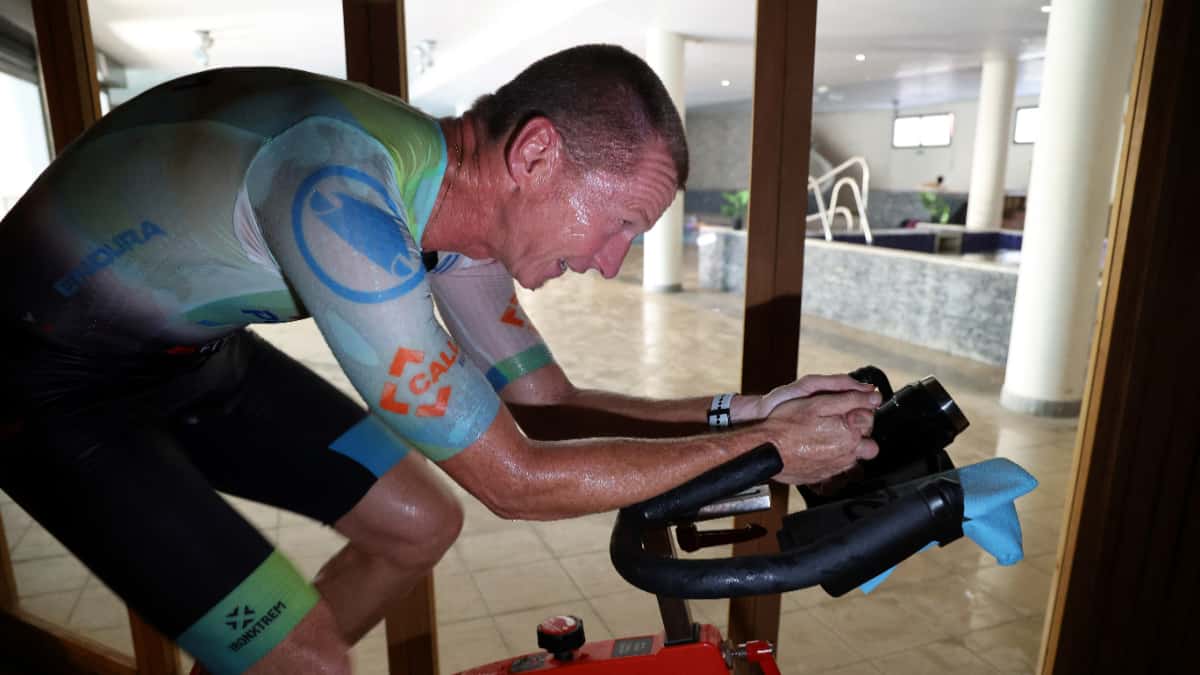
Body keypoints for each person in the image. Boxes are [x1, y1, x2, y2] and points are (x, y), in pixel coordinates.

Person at [0, 45, 879, 674]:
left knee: (419, 520)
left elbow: (544, 403)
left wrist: (752, 413)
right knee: (305, 654)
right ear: (536, 154)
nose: (611, 261)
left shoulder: (453, 205)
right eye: (618, 225)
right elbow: (516, 479)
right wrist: (771, 455)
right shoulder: (341, 198)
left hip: (191, 357)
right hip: (43, 382)